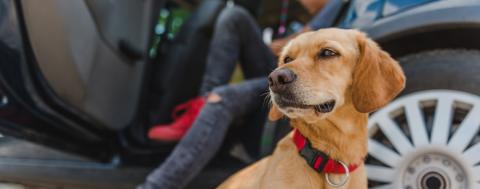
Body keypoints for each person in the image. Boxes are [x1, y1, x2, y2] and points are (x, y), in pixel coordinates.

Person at [138, 0, 343, 188]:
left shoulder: (339, 5)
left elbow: (304, 43)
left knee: (223, 98)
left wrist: (275, 47)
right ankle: (202, 104)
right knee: (234, 16)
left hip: (298, 80)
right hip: (279, 71)